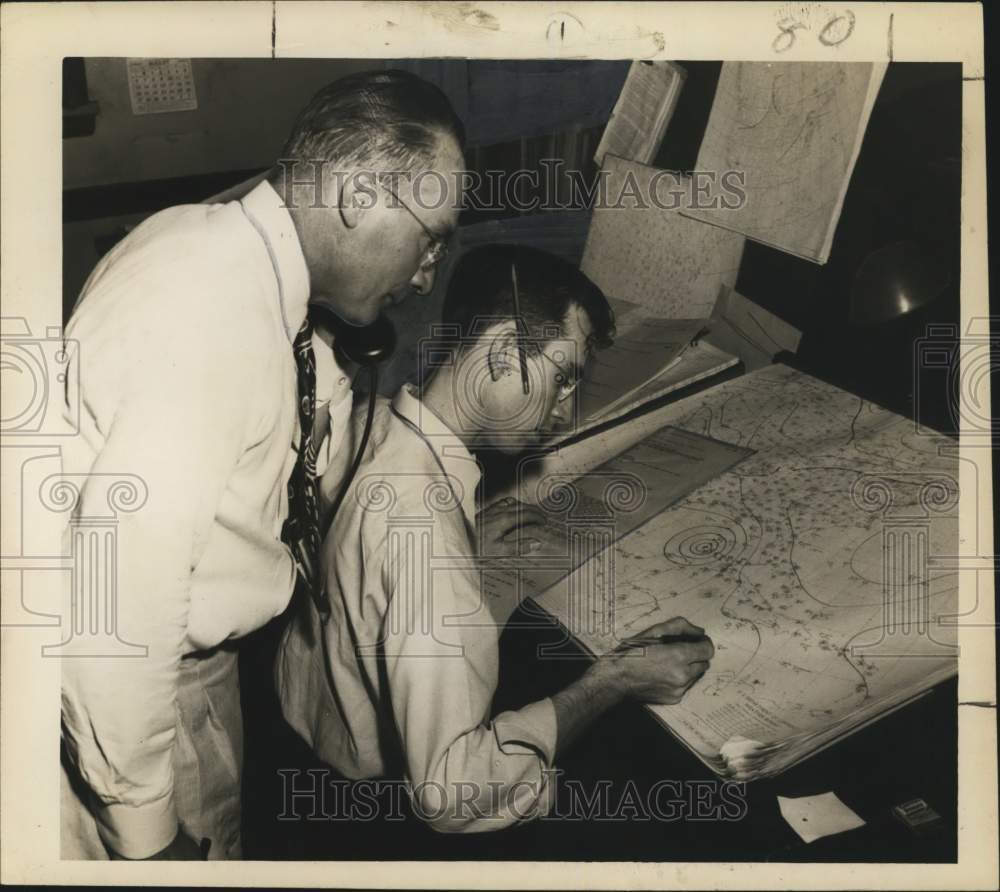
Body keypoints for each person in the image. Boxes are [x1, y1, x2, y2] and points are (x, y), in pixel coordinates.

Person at [59, 69, 466, 860]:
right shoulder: (207, 312)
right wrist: (149, 837)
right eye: (432, 235)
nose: (426, 272)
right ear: (357, 195)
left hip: (187, 684)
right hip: (144, 708)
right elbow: (116, 611)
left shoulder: (216, 248)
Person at [277, 245, 715, 833]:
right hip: (366, 816)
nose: (565, 410)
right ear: (506, 353)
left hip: (294, 738)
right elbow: (451, 793)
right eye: (563, 378)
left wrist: (460, 542)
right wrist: (613, 681)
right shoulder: (430, 548)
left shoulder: (367, 419)